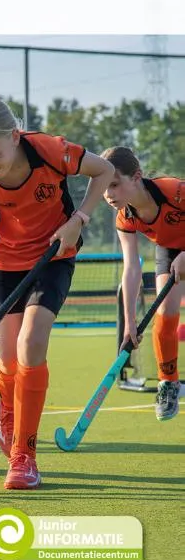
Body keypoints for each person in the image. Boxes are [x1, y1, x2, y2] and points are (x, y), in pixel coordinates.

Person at [0, 97, 114, 490]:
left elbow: (105, 170)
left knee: (31, 343)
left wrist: (79, 219)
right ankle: (7, 405)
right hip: (4, 266)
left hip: (54, 256)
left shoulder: (50, 151)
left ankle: (24, 457)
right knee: (7, 359)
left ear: (15, 137)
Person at [101, 146, 184, 421]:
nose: (108, 194)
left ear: (136, 177)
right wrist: (130, 322)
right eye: (104, 186)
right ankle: (168, 383)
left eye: (114, 184)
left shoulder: (175, 191)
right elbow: (131, 269)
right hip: (170, 249)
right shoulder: (125, 217)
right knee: (165, 312)